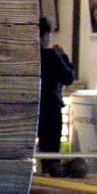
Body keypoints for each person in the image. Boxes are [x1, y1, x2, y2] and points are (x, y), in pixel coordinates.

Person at [37, 16, 76, 157]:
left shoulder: (24, 56)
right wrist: (63, 56)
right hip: (50, 110)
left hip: (29, 108)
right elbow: (68, 77)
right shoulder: (50, 56)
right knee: (50, 154)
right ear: (45, 35)